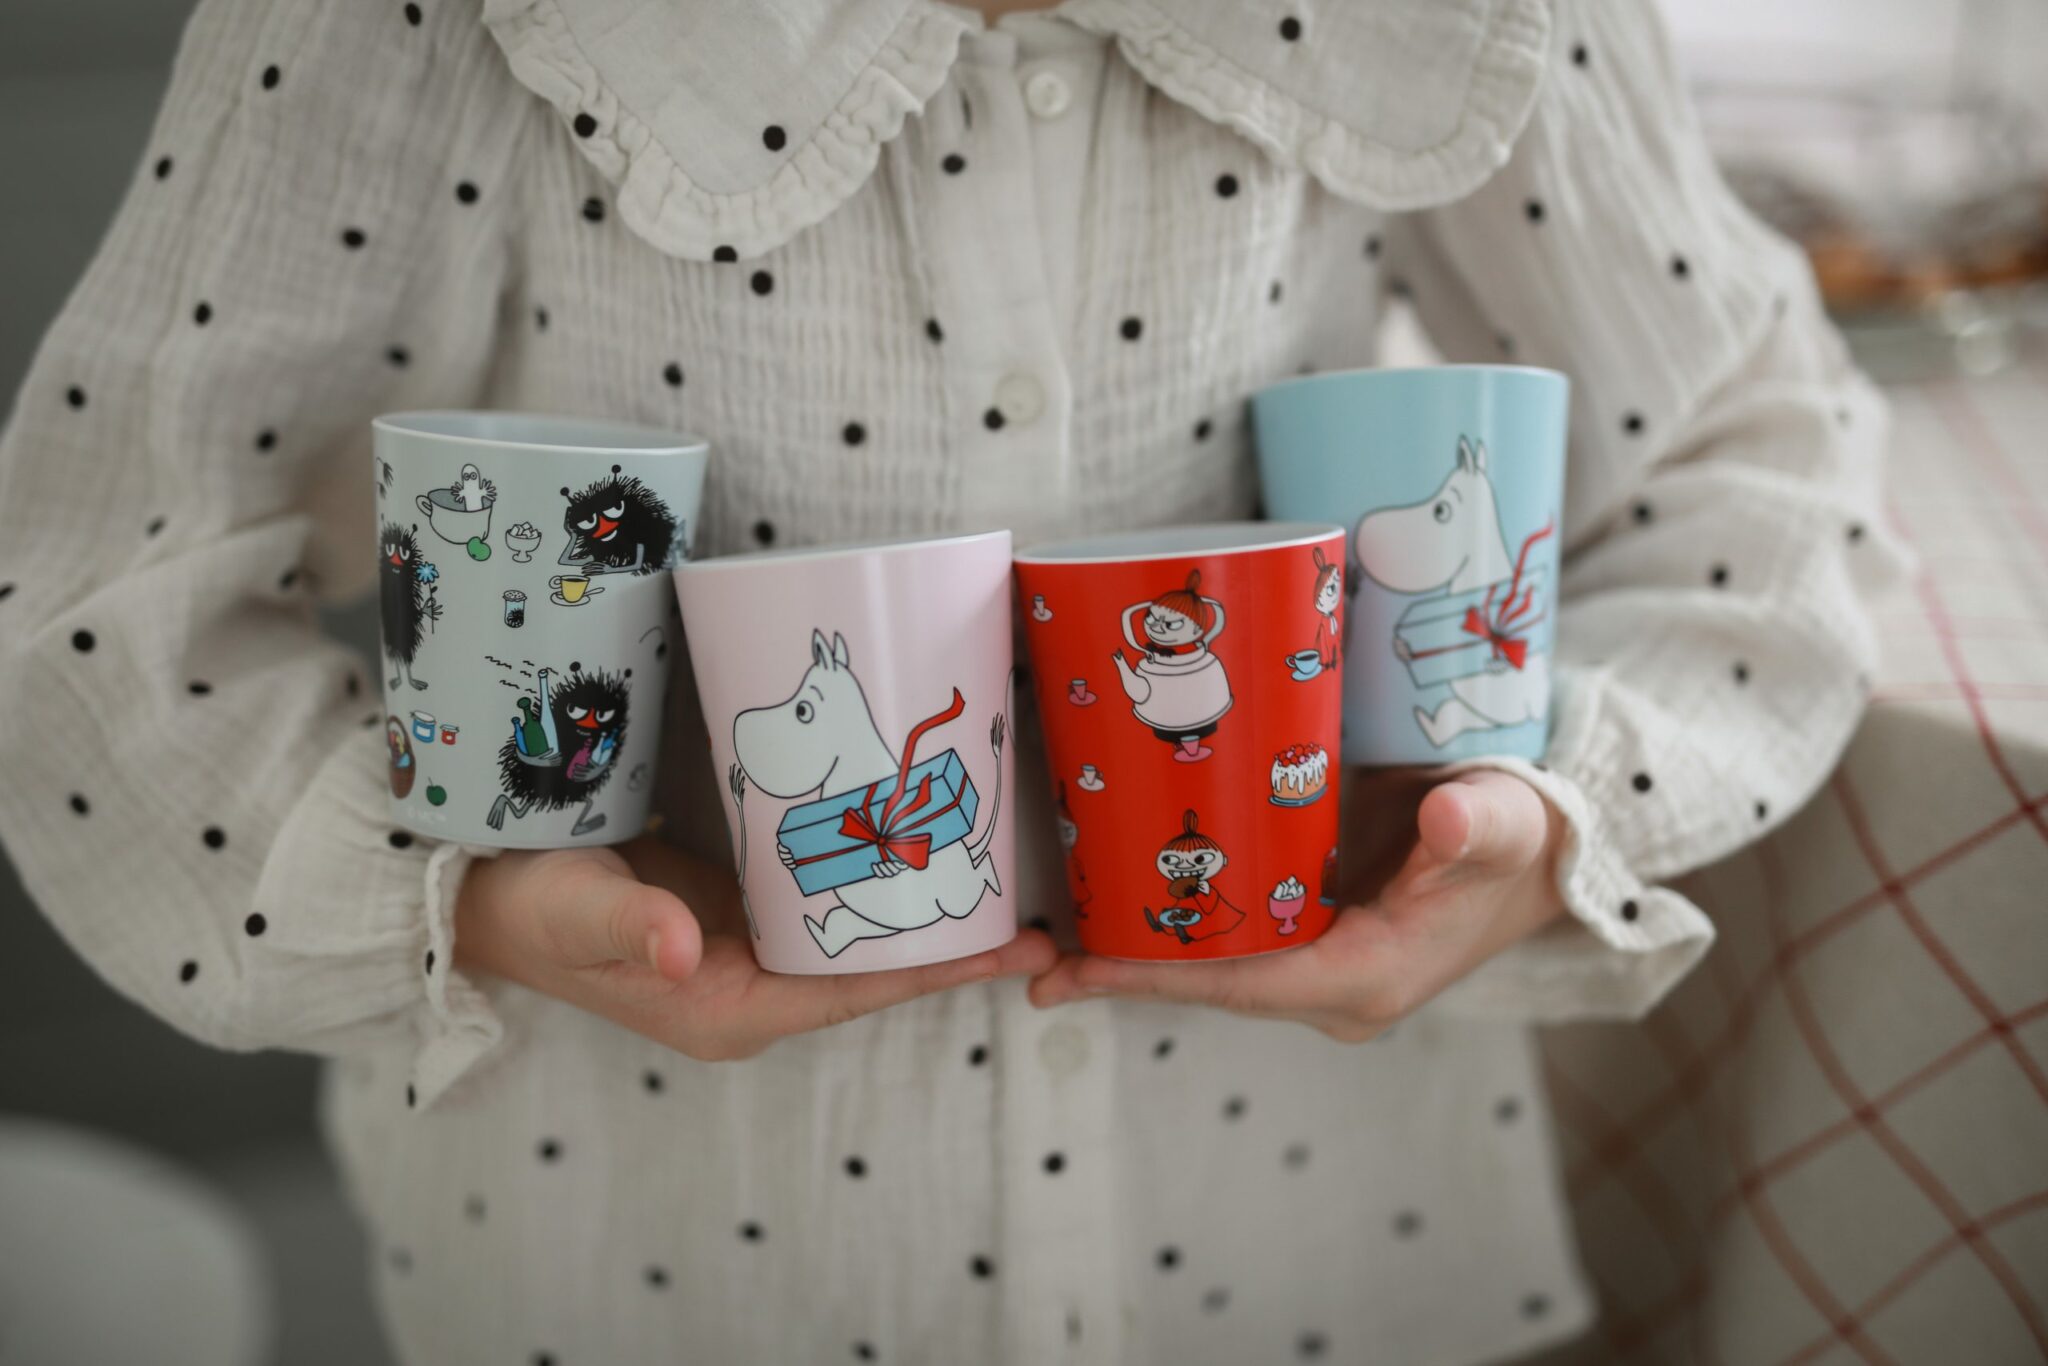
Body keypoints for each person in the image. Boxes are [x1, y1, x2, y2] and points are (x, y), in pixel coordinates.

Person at [0, 0, 1907, 1362]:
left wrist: (1553, 822)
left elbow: (1751, 451)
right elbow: (95, 595)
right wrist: (481, 906)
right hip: (649, 1257)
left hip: (1318, 1234)